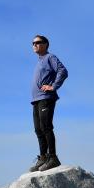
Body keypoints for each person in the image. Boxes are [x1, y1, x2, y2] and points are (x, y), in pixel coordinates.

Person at [28, 35, 68, 172]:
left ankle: (53, 158)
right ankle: (43, 157)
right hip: (36, 99)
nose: (34, 45)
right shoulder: (40, 61)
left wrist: (53, 86)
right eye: (33, 43)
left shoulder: (50, 58)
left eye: (38, 42)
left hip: (46, 97)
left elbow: (63, 71)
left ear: (45, 44)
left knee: (46, 127)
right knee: (38, 129)